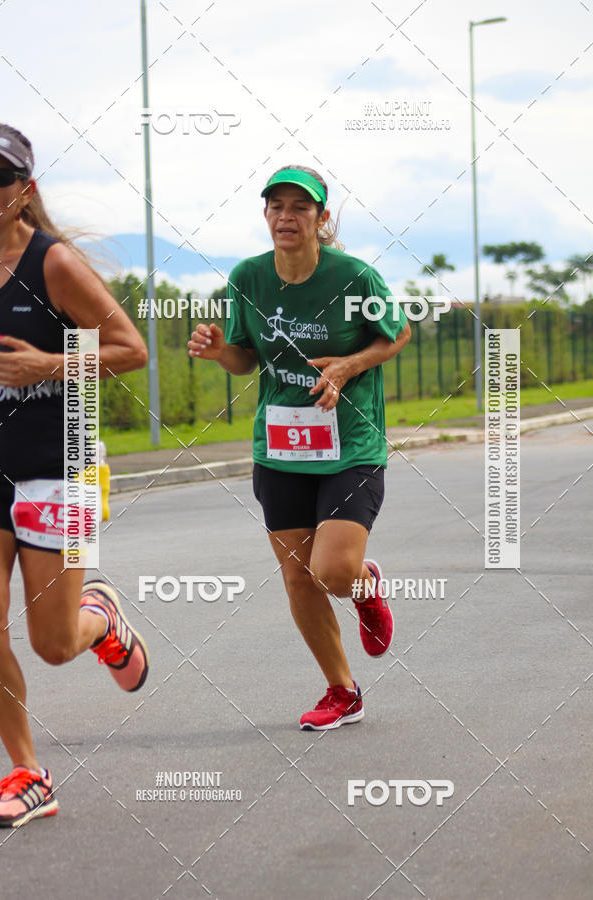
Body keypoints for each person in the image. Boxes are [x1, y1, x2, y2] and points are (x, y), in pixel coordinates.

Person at [189, 165, 411, 731]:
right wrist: (219, 353)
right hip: (281, 447)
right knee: (297, 577)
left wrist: (350, 363)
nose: (286, 217)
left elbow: (399, 331)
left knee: (331, 571)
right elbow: (244, 358)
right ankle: (343, 690)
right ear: (266, 216)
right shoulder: (248, 278)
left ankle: (362, 583)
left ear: (321, 218)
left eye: (300, 208)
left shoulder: (354, 277)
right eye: (276, 207)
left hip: (351, 442)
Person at [0, 124, 149, 827]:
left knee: (54, 646)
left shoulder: (51, 263)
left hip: (62, 469)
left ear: (23, 191)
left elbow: (129, 348)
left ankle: (102, 616)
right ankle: (28, 773)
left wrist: (46, 366)